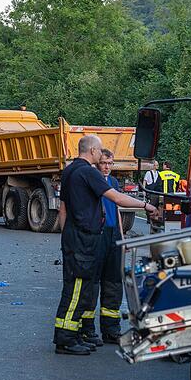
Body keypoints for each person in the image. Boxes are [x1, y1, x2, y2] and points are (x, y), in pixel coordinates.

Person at [54, 135, 160, 355]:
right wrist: (147, 206)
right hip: (84, 238)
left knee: (78, 287)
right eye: (100, 150)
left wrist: (67, 239)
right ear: (92, 150)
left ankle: (72, 335)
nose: (101, 154)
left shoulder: (70, 171)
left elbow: (63, 209)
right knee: (76, 290)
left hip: (74, 236)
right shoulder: (89, 172)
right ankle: (65, 339)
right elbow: (118, 199)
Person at [91, 149, 123, 344]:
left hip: (113, 235)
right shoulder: (93, 181)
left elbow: (117, 208)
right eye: (104, 163)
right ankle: (87, 329)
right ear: (96, 163)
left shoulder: (113, 183)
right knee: (93, 282)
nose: (107, 167)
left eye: (110, 164)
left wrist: (121, 236)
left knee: (113, 283)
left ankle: (111, 330)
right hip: (98, 234)